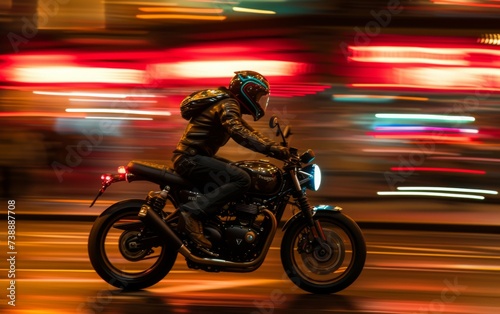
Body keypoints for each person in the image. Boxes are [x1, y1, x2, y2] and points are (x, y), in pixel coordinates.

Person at [172, 70, 290, 249]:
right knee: (242, 179)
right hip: (190, 159)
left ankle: (213, 220)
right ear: (247, 91)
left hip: (195, 157)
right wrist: (272, 150)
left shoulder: (229, 104)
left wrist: (276, 148)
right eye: (258, 96)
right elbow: (239, 133)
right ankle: (193, 214)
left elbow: (250, 132)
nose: (259, 102)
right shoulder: (228, 104)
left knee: (241, 170)